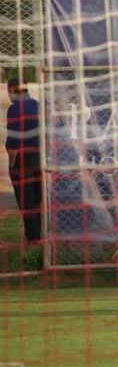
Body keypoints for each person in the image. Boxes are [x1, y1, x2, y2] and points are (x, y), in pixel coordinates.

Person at [6, 78, 41, 243]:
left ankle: (33, 237)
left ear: (12, 89)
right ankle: (40, 232)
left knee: (26, 199)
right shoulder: (37, 105)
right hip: (39, 156)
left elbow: (13, 141)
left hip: (23, 158)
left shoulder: (15, 108)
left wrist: (12, 162)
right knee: (37, 197)